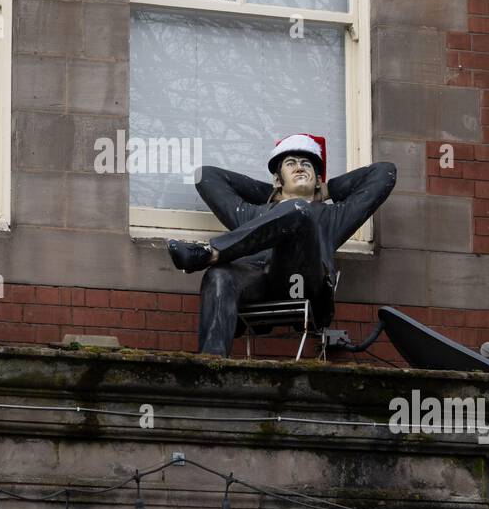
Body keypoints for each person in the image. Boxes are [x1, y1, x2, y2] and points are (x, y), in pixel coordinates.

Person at [167, 134, 396, 355]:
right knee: (219, 276)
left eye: (307, 164)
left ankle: (212, 252)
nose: (300, 167)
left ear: (318, 179)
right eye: (291, 164)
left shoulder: (333, 216)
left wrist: (326, 189)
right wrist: (275, 194)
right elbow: (205, 176)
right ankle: (211, 366)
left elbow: (384, 172)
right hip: (255, 283)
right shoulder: (252, 214)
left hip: (300, 286)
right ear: (278, 179)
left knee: (299, 210)